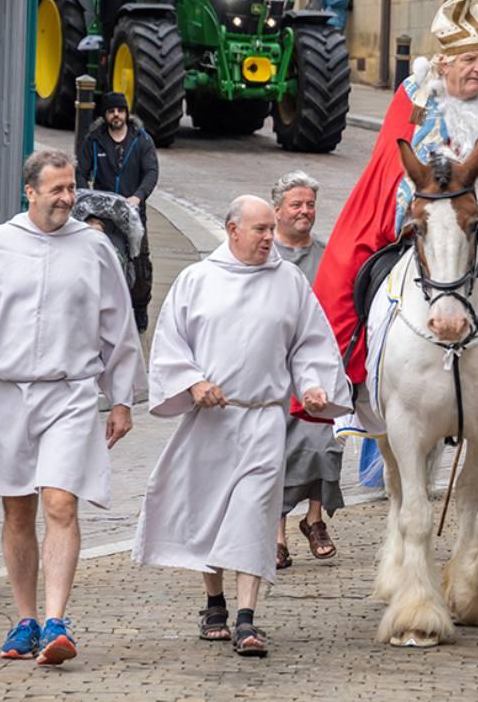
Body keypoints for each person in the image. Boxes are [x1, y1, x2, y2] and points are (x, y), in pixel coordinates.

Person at [310, 0, 478, 449]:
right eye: (469, 61)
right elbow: (397, 167)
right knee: (357, 273)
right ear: (443, 63)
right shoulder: (417, 96)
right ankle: (356, 376)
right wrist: (424, 215)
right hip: (423, 221)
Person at [0, 149, 145, 666]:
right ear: (31, 192)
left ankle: (56, 621)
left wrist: (122, 399)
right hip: (9, 392)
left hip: (70, 392)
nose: (67, 199)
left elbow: (119, 327)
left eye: (71, 188)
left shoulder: (93, 249)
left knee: (60, 503)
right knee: (17, 509)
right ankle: (24, 619)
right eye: (57, 190)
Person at [133, 195, 351, 658]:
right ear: (232, 230)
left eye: (272, 229)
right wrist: (192, 383)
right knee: (208, 512)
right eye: (260, 230)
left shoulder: (288, 282)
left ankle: (248, 619)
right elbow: (171, 345)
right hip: (212, 420)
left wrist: (313, 386)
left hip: (264, 418)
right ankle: (215, 603)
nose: (271, 238)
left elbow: (310, 342)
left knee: (254, 513)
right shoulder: (197, 280)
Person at [268, 172, 343, 570]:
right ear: (278, 210)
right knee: (277, 451)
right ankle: (276, 534)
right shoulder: (266, 255)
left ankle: (314, 520)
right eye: (296, 204)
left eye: (310, 204)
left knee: (324, 445)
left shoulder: (327, 257)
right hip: (274, 370)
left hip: (317, 369)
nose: (305, 211)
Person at [77, 91, 159, 331]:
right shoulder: (94, 140)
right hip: (103, 215)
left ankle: (140, 306)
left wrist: (138, 197)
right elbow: (81, 171)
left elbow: (151, 172)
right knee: (103, 260)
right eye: (111, 111)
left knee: (140, 266)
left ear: (126, 113)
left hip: (133, 215)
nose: (116, 115)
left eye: (120, 110)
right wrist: (89, 199)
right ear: (105, 115)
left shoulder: (141, 139)